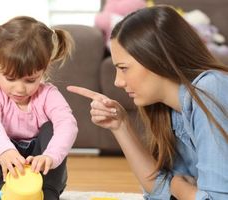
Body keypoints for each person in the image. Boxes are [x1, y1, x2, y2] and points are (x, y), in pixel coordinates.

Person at [67, 5, 228, 200]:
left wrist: (176, 185)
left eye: (124, 68)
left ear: (158, 58)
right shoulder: (171, 111)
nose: (118, 81)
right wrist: (120, 125)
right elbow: (159, 192)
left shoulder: (210, 88)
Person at [0, 16, 78, 200]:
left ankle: (49, 194)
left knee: (52, 127)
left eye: (30, 80)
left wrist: (50, 157)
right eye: (10, 78)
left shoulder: (48, 95)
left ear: (44, 70)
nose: (20, 89)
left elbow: (67, 125)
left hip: (40, 178)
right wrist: (5, 150)